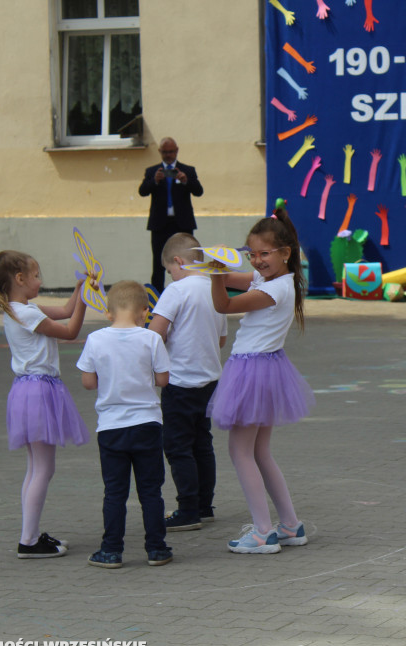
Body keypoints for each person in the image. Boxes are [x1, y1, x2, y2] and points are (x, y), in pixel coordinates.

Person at [208, 208, 314, 554]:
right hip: (266, 371)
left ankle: (263, 531)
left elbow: (223, 304)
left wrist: (212, 275)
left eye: (264, 254)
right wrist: (215, 266)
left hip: (251, 372)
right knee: (259, 452)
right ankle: (289, 525)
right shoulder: (273, 280)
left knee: (240, 452)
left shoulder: (276, 289)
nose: (256, 261)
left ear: (285, 253)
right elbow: (234, 279)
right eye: (251, 254)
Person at [0, 250, 90, 558]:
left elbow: (64, 309)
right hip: (38, 391)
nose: (40, 281)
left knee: (36, 467)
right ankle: (29, 541)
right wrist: (85, 299)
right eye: (36, 276)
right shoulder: (28, 314)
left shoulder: (18, 309)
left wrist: (81, 289)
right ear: (20, 279)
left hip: (26, 390)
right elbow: (71, 330)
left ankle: (29, 534)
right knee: (43, 468)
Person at [78, 281, 173, 569]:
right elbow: (163, 379)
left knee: (115, 492)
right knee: (150, 491)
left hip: (110, 426)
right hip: (147, 423)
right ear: (145, 311)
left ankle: (111, 550)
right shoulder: (151, 339)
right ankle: (156, 548)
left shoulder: (95, 339)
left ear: (108, 312)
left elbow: (87, 382)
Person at [149, 233, 228, 531]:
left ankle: (187, 509)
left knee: (178, 447)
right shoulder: (214, 287)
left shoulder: (176, 290)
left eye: (170, 269)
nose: (171, 275)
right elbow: (221, 339)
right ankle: (205, 505)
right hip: (209, 379)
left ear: (178, 262)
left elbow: (156, 333)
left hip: (179, 381)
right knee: (202, 444)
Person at [138, 137, 204, 292]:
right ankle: (158, 299)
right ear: (160, 152)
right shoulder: (153, 171)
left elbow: (199, 191)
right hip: (160, 224)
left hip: (182, 223)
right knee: (158, 263)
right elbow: (142, 191)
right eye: (165, 152)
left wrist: (186, 180)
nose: (168, 155)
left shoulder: (187, 170)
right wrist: (154, 181)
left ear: (177, 151)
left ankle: (189, 292)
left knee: (187, 260)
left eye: (171, 152)